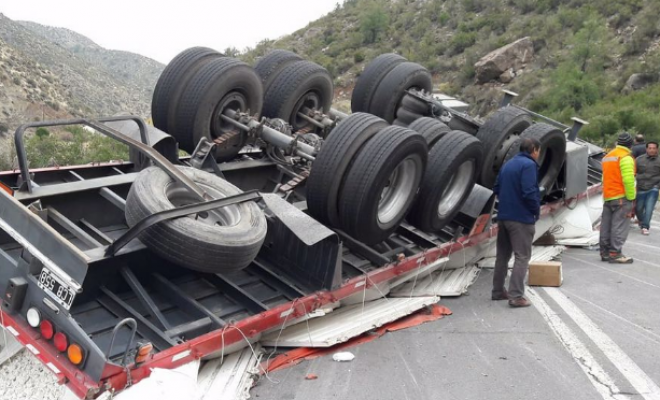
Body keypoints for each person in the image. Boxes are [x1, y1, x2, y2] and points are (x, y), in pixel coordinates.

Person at [492, 137, 541, 308]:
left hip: (504, 216)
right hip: (521, 218)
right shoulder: (528, 165)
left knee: (502, 256)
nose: (538, 154)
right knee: (522, 256)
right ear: (533, 149)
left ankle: (498, 291)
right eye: (538, 151)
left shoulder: (508, 164)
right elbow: (529, 192)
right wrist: (536, 210)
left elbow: (496, 187)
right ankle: (516, 296)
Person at [599, 132, 636, 263]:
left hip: (609, 196)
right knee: (619, 226)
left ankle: (605, 252)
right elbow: (628, 180)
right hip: (621, 197)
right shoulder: (626, 157)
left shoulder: (607, 157)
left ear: (618, 143)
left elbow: (603, 178)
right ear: (631, 144)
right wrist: (631, 197)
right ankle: (615, 253)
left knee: (606, 226)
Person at [635, 141, 660, 235]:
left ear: (657, 149)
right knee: (638, 209)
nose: (652, 150)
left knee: (649, 208)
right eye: (650, 148)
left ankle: (645, 226)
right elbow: (633, 172)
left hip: (653, 188)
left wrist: (657, 186)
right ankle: (642, 222)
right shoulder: (639, 160)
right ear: (646, 149)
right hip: (640, 187)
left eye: (654, 148)